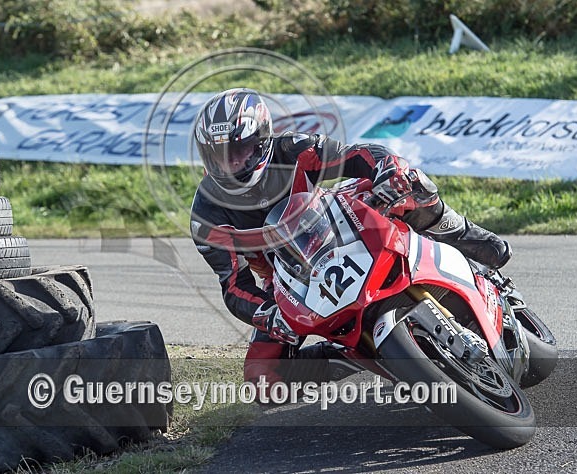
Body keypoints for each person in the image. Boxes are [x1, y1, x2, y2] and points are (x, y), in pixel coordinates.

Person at [189, 88, 512, 396]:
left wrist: (388, 168)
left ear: (260, 140)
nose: (229, 164)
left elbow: (355, 156)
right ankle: (350, 354)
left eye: (238, 151)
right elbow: (232, 284)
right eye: (217, 155)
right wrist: (266, 313)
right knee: (263, 383)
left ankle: (458, 232)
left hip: (337, 222)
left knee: (408, 186)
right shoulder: (206, 213)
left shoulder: (293, 150)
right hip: (288, 277)